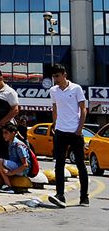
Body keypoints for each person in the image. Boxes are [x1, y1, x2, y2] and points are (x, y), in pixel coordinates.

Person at [47, 64, 89, 208]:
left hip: (75, 132)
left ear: (64, 74)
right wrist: (54, 124)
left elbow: (83, 109)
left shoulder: (76, 88)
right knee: (59, 164)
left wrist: (79, 128)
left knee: (80, 164)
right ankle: (60, 195)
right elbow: (54, 108)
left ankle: (84, 197)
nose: (56, 80)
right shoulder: (53, 90)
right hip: (60, 131)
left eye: (57, 76)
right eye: (54, 77)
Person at [0, 122, 31, 194]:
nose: (4, 135)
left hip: (22, 170)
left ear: (13, 133)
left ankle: (9, 186)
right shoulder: (10, 143)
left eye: (6, 133)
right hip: (16, 166)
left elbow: (25, 165)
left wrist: (11, 173)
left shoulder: (18, 145)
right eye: (3, 133)